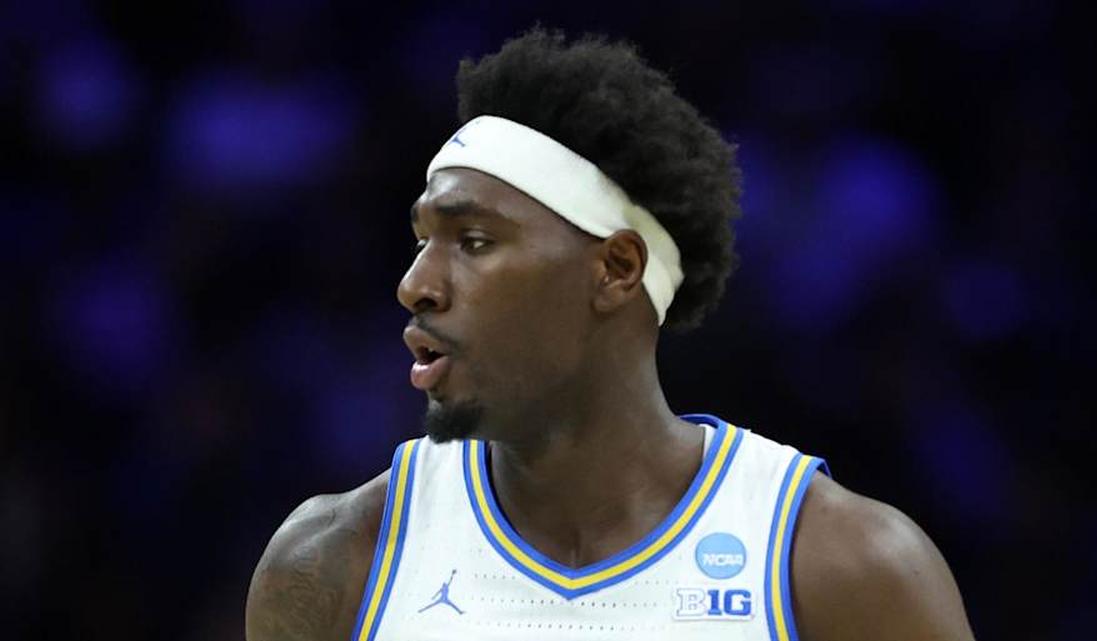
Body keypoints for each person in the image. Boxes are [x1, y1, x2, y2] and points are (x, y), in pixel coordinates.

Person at [246, 28, 976, 641]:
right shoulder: (333, 560)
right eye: (421, 241)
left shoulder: (842, 565)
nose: (416, 284)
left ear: (616, 269)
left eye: (472, 240)